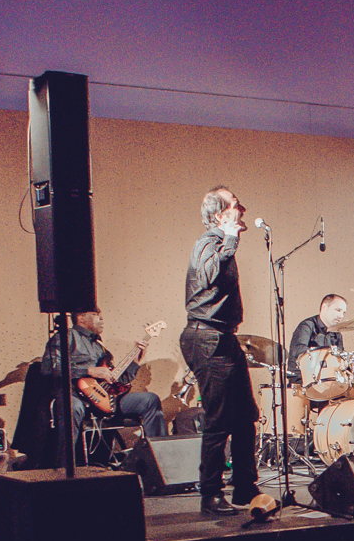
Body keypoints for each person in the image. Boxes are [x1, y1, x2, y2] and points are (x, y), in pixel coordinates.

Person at [182, 187, 260, 515]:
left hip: (223, 338)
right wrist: (229, 238)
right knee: (218, 420)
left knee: (245, 416)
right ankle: (210, 494)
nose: (243, 209)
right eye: (235, 205)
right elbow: (207, 276)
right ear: (220, 215)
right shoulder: (208, 242)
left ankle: (245, 487)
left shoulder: (219, 242)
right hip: (207, 338)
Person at [51, 310, 166, 447]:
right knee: (72, 408)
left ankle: (160, 451)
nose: (101, 318)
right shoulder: (66, 336)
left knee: (150, 400)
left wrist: (136, 360)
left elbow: (118, 382)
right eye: (95, 314)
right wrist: (89, 371)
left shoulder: (101, 348)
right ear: (81, 317)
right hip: (75, 394)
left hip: (106, 399)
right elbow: (51, 368)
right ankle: (66, 460)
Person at [286, 293, 347, 387]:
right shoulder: (307, 326)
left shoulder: (337, 334)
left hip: (327, 381)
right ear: (324, 307)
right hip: (303, 381)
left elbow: (340, 358)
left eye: (343, 312)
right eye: (338, 310)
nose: (341, 316)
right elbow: (298, 350)